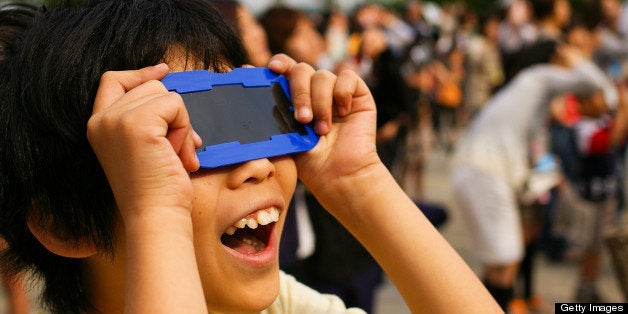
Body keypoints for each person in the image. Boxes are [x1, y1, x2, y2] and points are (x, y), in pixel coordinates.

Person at [0, 1, 501, 313]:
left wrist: (361, 182)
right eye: (182, 138)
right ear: (67, 225)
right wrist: (158, 211)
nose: (258, 165)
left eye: (251, 117)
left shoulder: (284, 305)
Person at [450, 41, 618, 311]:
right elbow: (598, 88)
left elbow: (537, 149)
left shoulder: (528, 91)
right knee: (506, 257)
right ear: (555, 57)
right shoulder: (539, 76)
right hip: (487, 174)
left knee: (500, 259)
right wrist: (574, 56)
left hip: (481, 172)